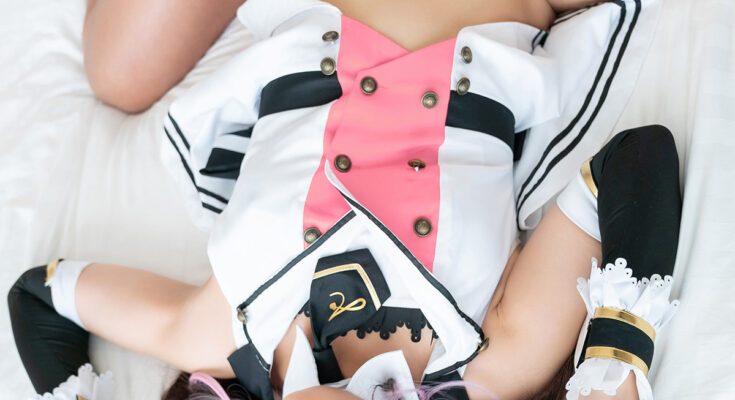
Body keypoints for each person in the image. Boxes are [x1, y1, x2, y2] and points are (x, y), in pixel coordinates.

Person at [9, 0, 682, 399]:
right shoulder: (490, 363)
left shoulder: (215, 336)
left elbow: (38, 297)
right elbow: (634, 163)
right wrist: (612, 365)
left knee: (119, 71)